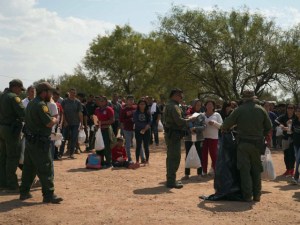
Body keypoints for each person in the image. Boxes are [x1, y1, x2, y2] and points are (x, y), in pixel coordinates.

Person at [221, 90, 272, 202]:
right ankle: (257, 195)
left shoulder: (239, 110)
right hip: (258, 144)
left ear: (243, 98)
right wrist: (261, 134)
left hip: (243, 144)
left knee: (244, 170)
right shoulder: (261, 109)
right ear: (254, 98)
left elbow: (225, 125)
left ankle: (247, 195)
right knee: (256, 169)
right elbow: (269, 126)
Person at [19, 82, 63, 204]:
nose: (51, 95)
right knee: (46, 167)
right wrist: (55, 119)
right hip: (39, 142)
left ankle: (24, 192)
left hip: (31, 141)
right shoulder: (40, 105)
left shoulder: (31, 103)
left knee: (29, 167)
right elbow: (49, 123)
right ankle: (48, 195)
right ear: (44, 92)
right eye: (50, 92)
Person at [163, 88, 195, 189]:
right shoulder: (173, 106)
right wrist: (190, 119)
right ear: (175, 95)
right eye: (180, 96)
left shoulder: (170, 105)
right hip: (174, 135)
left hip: (172, 134)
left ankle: (170, 179)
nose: (182, 98)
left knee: (171, 157)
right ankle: (171, 181)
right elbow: (179, 121)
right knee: (174, 158)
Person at [0, 79, 25, 192]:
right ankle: (12, 184)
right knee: (12, 156)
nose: (20, 91)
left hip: (2, 128)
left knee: (3, 156)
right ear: (15, 87)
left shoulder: (2, 96)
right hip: (11, 130)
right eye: (20, 88)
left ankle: (3, 182)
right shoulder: (13, 97)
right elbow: (23, 113)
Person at [183, 99, 206, 179]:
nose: (198, 106)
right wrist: (189, 128)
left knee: (199, 155)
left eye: (200, 105)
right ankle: (186, 174)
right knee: (188, 154)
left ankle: (199, 174)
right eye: (197, 104)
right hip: (188, 138)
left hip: (199, 138)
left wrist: (195, 128)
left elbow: (204, 126)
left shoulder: (202, 115)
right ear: (193, 105)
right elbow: (183, 125)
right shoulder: (187, 114)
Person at [59, 88, 83, 159]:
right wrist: (64, 121)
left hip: (75, 123)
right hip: (66, 124)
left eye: (74, 93)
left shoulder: (78, 102)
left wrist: (82, 124)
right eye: (71, 92)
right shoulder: (64, 101)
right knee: (63, 139)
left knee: (74, 138)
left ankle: (71, 153)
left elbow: (80, 113)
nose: (73, 94)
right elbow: (62, 112)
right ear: (69, 93)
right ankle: (60, 154)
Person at [202, 100, 223, 176]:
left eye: (211, 105)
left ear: (214, 106)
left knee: (214, 155)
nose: (209, 106)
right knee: (203, 155)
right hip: (203, 138)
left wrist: (214, 123)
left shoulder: (217, 115)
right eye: (208, 104)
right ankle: (204, 171)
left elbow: (221, 126)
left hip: (213, 138)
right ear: (205, 106)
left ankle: (215, 170)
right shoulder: (202, 115)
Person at [276, 104, 297, 176]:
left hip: (294, 138)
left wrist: (291, 127)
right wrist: (281, 125)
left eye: (291, 108)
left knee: (292, 154)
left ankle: (292, 170)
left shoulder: (296, 117)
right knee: (286, 154)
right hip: (285, 137)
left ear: (294, 109)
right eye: (288, 108)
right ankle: (288, 169)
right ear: (286, 108)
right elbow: (276, 121)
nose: (290, 109)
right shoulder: (283, 116)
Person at [94, 96, 115, 167]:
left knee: (106, 146)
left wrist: (102, 123)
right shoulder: (97, 110)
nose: (101, 102)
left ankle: (109, 162)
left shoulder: (109, 109)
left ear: (106, 102)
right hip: (98, 130)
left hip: (106, 130)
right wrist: (96, 124)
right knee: (98, 146)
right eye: (100, 100)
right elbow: (96, 120)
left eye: (102, 100)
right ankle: (100, 162)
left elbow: (112, 120)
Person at [133, 99, 152, 164]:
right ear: (138, 105)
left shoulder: (148, 112)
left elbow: (150, 121)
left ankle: (147, 160)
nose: (142, 105)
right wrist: (143, 128)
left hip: (147, 131)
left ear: (146, 105)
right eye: (141, 104)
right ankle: (137, 161)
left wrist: (146, 128)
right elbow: (136, 121)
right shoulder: (136, 112)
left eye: (143, 104)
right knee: (138, 145)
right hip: (138, 131)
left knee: (146, 146)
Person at [119, 95, 136, 162]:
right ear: (126, 101)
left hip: (135, 129)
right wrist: (129, 120)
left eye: (132, 99)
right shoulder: (123, 110)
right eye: (129, 100)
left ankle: (142, 158)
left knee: (137, 143)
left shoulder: (136, 108)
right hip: (127, 129)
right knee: (128, 144)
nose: (131, 101)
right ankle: (129, 157)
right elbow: (121, 120)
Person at [290, 106, 300, 184]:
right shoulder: (294, 121)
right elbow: (291, 131)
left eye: (299, 111)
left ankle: (296, 177)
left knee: (298, 160)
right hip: (296, 143)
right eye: (296, 111)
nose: (297, 113)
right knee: (297, 160)